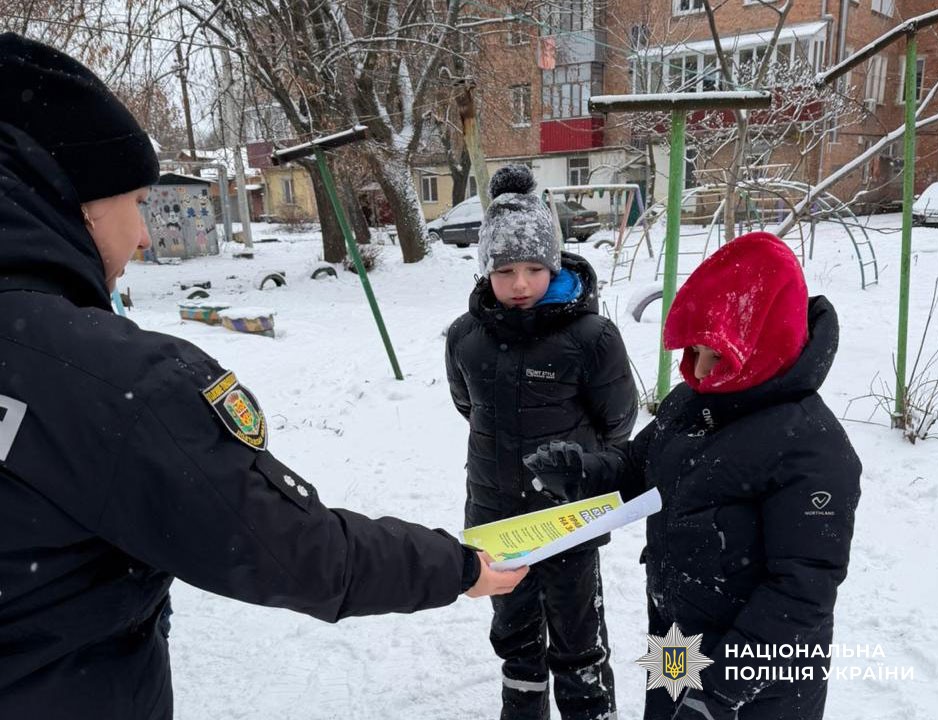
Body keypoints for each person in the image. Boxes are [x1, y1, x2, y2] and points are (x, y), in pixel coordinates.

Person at [0, 33, 526, 719]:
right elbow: (288, 548)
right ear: (72, 198)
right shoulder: (108, 381)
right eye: (134, 201)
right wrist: (453, 566)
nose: (144, 237)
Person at [526, 231, 862, 720]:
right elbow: (639, 468)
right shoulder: (694, 402)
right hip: (677, 638)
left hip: (756, 681)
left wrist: (718, 692)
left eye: (716, 355)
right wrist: (580, 471)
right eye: (694, 352)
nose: (699, 370)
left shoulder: (812, 447)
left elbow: (801, 591)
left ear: (763, 343)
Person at [445, 164, 638, 720]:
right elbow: (468, 406)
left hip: (567, 516)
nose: (521, 284)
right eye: (506, 271)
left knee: (578, 636)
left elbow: (617, 420)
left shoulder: (591, 337)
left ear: (554, 264)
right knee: (515, 634)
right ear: (486, 272)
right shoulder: (466, 336)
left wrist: (577, 470)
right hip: (497, 514)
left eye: (534, 268)